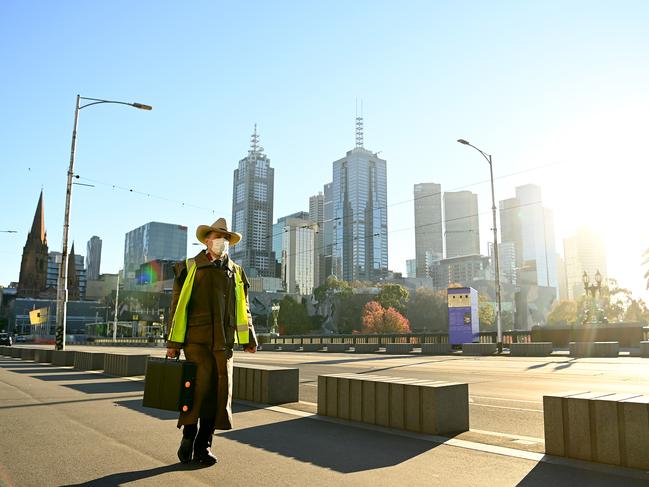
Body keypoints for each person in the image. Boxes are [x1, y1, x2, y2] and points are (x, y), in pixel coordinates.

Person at [166, 218, 257, 465]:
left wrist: (248, 337)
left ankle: (204, 447)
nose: (222, 242)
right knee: (197, 391)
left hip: (224, 343)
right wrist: (173, 344)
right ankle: (188, 437)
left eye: (226, 239)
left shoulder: (236, 271)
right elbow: (177, 307)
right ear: (207, 240)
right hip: (195, 340)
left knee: (218, 395)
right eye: (218, 237)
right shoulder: (188, 268)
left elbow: (243, 307)